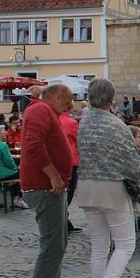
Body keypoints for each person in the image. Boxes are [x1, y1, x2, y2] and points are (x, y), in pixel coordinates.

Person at [76, 78, 140, 278]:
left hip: (87, 187)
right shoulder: (117, 125)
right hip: (112, 188)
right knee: (125, 245)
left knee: (99, 246)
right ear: (112, 98)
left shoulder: (83, 122)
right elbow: (132, 164)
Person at [20, 84, 77, 278]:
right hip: (45, 188)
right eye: (68, 101)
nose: (69, 106)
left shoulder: (41, 109)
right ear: (57, 97)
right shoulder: (41, 110)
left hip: (51, 187)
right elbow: (34, 146)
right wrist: (54, 175)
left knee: (58, 242)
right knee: (52, 245)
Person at [59, 96, 82, 233]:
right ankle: (63, 219)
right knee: (69, 192)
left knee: (60, 192)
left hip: (57, 161)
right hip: (71, 161)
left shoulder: (54, 120)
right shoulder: (72, 122)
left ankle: (63, 220)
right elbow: (78, 142)